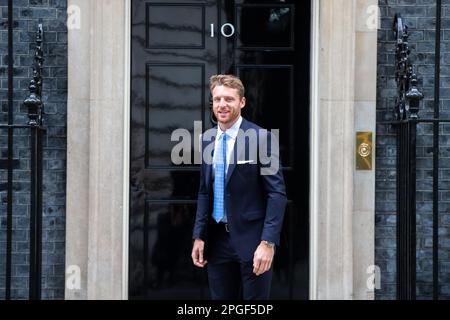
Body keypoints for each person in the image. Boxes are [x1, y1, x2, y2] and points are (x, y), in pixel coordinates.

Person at [191, 74, 287, 300]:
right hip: (216, 242)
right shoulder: (206, 139)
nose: (222, 104)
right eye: (217, 99)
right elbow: (205, 192)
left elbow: (277, 194)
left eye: (229, 99)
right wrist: (199, 235)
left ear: (241, 102)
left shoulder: (261, 138)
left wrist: (268, 242)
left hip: (253, 242)